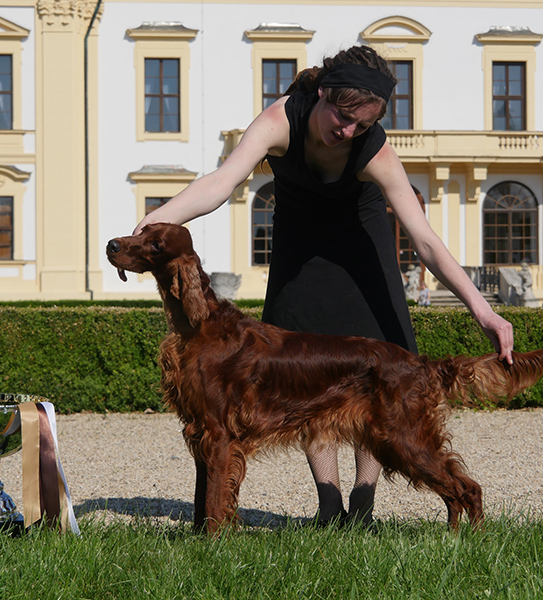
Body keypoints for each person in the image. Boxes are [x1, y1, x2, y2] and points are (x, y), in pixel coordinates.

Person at [134, 45, 513, 526]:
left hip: (362, 244)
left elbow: (425, 239)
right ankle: (329, 501)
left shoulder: (372, 146)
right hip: (300, 245)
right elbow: (221, 182)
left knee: (380, 369)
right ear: (321, 94)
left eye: (363, 123)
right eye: (343, 116)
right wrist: (155, 221)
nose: (348, 131)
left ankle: (364, 500)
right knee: (305, 379)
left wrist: (484, 311)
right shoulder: (279, 120)